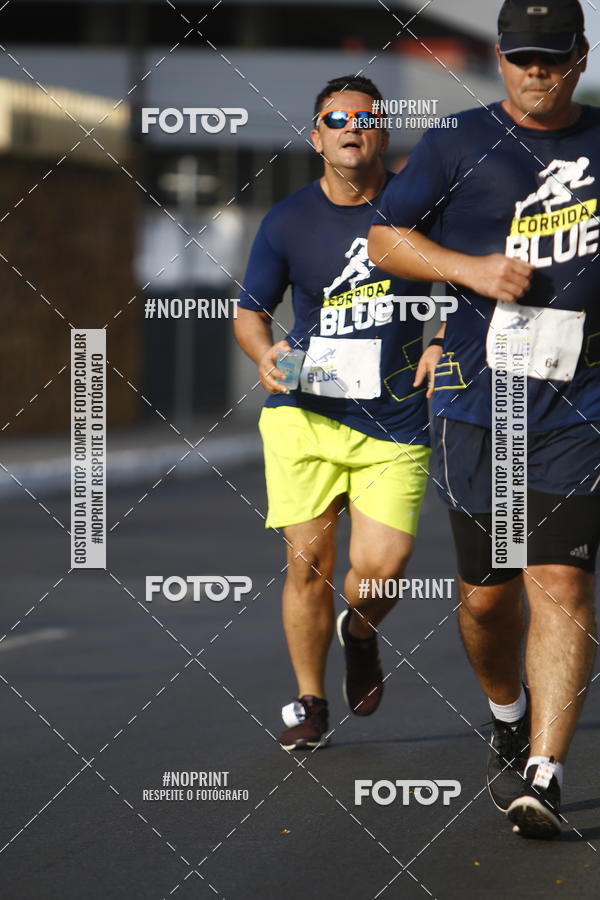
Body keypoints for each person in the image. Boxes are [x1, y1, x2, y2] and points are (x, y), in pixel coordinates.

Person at [368, 0, 599, 840]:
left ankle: (546, 770)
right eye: (522, 59)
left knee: (562, 580)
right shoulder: (456, 142)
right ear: (501, 59)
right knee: (487, 602)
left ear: (579, 57)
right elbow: (386, 240)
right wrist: (468, 268)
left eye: (552, 59)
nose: (536, 74)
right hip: (481, 402)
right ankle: (506, 708)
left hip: (583, 401)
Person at [234, 75, 437, 751]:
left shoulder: (419, 206)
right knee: (307, 564)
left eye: (364, 116)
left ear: (382, 130)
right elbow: (249, 312)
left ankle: (361, 631)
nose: (351, 126)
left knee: (379, 569)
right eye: (336, 118)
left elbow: (473, 282)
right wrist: (263, 354)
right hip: (304, 413)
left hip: (396, 418)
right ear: (317, 136)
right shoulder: (287, 219)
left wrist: (440, 342)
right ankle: (310, 700)